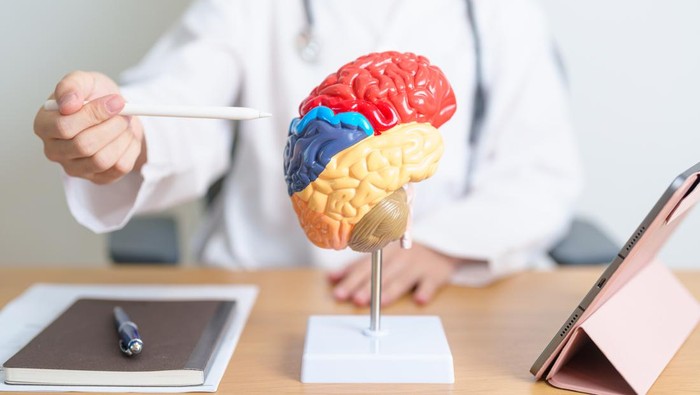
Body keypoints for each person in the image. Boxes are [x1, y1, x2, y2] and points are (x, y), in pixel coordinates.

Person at [33, 0, 582, 306]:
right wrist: (125, 131)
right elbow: (184, 99)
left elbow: (541, 171)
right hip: (268, 294)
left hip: (446, 299)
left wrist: (445, 247)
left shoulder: (499, 13)